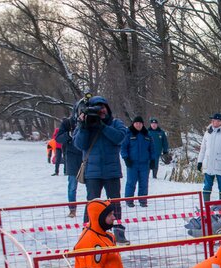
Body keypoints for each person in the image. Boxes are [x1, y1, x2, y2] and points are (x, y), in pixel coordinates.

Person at [74, 95, 129, 244]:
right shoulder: (85, 124)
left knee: (115, 202)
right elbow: (79, 144)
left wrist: (102, 126)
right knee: (92, 202)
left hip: (112, 171)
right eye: (97, 108)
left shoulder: (115, 123)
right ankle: (88, 232)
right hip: (93, 172)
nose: (101, 111)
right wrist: (84, 126)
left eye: (103, 107)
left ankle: (118, 231)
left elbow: (119, 137)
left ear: (107, 108)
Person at [73, 199, 139, 268]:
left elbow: (111, 263)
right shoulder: (90, 242)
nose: (114, 218)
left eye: (113, 214)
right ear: (98, 217)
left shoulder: (108, 236)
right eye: (110, 215)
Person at [197, 112, 221, 201]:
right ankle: (206, 206)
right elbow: (203, 149)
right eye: (214, 120)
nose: (215, 122)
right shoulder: (207, 133)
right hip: (208, 164)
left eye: (218, 121)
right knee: (207, 186)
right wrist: (200, 162)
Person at [121, 116, 154, 207]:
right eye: (136, 123)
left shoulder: (147, 135)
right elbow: (123, 148)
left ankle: (143, 200)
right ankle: (129, 200)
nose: (138, 125)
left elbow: (152, 149)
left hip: (144, 164)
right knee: (131, 182)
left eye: (140, 123)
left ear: (142, 124)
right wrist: (126, 158)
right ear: (133, 124)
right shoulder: (129, 134)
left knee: (144, 183)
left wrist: (153, 160)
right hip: (132, 163)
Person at [55, 116, 83, 217]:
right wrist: (69, 134)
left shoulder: (90, 120)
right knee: (72, 186)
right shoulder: (68, 122)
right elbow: (58, 138)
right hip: (72, 158)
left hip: (87, 156)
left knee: (92, 186)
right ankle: (72, 209)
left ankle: (92, 209)